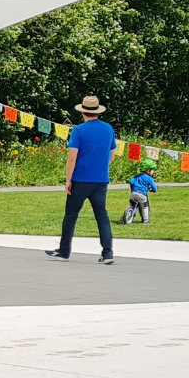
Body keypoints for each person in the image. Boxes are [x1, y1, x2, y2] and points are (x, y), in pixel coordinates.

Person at [45, 96, 116, 264]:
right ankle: (107, 252)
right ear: (97, 112)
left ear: (83, 112)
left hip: (80, 179)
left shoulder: (79, 130)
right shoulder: (108, 129)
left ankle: (64, 251)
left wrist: (68, 179)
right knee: (102, 215)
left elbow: (72, 158)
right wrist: (100, 165)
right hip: (100, 180)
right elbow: (112, 154)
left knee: (71, 215)